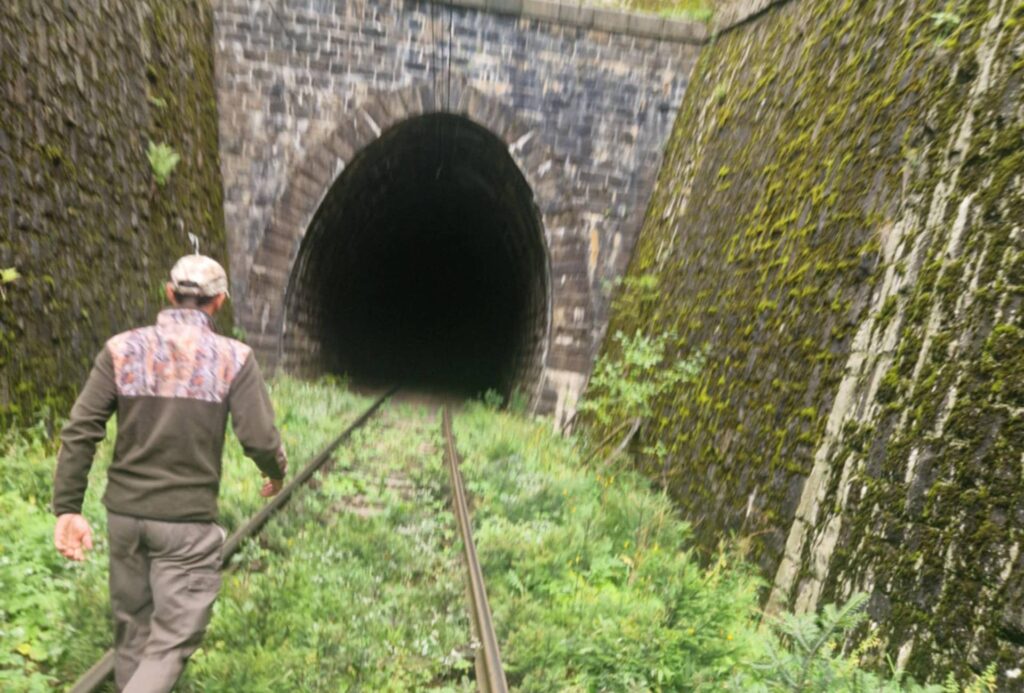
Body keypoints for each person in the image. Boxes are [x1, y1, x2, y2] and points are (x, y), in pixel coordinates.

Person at [52, 254, 288, 692]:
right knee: (171, 643)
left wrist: (68, 507)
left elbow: (80, 429)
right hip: (185, 525)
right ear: (220, 301)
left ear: (168, 293)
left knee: (133, 634)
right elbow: (260, 438)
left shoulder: (120, 349)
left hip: (125, 519)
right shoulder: (234, 357)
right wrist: (275, 472)